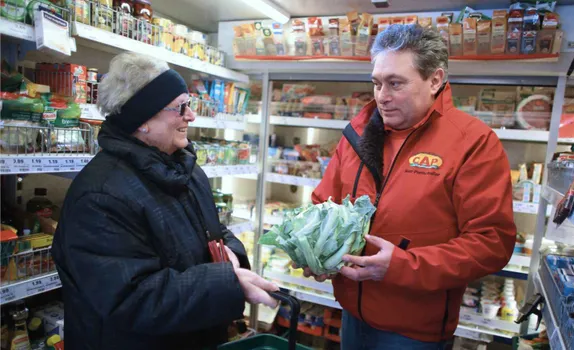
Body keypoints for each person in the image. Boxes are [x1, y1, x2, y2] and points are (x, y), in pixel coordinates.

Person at [51, 52, 278, 350]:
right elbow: (131, 298)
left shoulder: (184, 169)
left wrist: (231, 255)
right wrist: (225, 282)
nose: (191, 115)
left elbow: (213, 231)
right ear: (143, 119)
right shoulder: (100, 196)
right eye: (180, 107)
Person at [310, 24, 517, 349]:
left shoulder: (472, 142)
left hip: (414, 331)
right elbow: (324, 204)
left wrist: (404, 266)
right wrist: (313, 248)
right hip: (351, 313)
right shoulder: (356, 133)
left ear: (435, 80)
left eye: (396, 84)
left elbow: (492, 243)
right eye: (377, 83)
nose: (382, 96)